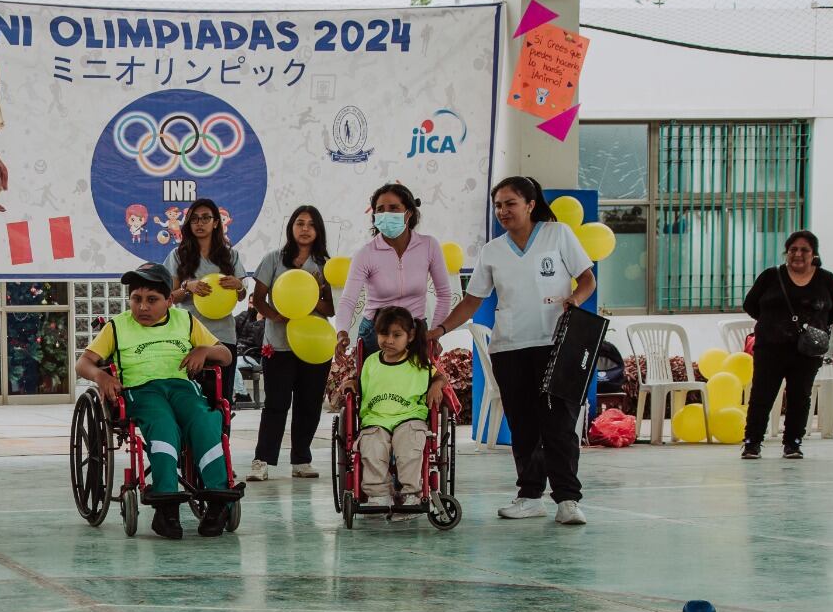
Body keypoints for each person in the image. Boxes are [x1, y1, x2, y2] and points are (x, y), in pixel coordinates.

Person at [436, 176, 595, 526]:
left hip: (554, 345)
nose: (503, 211)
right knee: (523, 427)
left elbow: (587, 278)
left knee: (559, 425)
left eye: (510, 203)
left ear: (530, 204)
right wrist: (441, 329)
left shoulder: (558, 235)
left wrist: (575, 300)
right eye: (498, 205)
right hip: (509, 348)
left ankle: (568, 499)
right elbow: (474, 299)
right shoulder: (492, 251)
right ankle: (530, 496)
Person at [75, 263, 234, 540]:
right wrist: (102, 378)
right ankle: (166, 507)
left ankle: (218, 501)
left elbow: (225, 356)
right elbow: (83, 363)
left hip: (182, 388)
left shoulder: (185, 321)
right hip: (142, 391)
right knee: (163, 427)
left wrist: (204, 349)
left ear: (169, 301)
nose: (143, 307)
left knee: (206, 420)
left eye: (152, 300)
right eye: (136, 299)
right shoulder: (117, 326)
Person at [741, 230, 833, 459]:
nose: (798, 254)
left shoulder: (826, 279)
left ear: (814, 254)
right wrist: (774, 324)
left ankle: (793, 443)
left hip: (807, 350)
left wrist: (812, 328)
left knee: (800, 396)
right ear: (786, 252)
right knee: (762, 394)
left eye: (804, 250)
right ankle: (752, 443)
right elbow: (750, 305)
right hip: (770, 347)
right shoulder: (770, 276)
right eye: (793, 250)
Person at [250, 205, 334, 481]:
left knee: (309, 404)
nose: (305, 228)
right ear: (291, 227)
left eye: (311, 224)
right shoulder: (274, 259)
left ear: (318, 230)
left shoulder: (325, 264)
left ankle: (301, 459)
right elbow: (259, 298)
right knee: (276, 403)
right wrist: (276, 315)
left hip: (314, 344)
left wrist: (315, 290)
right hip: (279, 345)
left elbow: (330, 308)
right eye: (300, 223)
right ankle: (262, 460)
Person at [337, 182, 453, 353]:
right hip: (376, 333)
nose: (386, 214)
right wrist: (341, 333)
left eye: (393, 208)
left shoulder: (429, 245)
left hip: (416, 331)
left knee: (418, 380)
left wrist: (434, 334)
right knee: (375, 380)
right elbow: (348, 300)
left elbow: (444, 294)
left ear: (409, 213)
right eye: (380, 209)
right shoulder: (365, 253)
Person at [356, 306, 447, 517]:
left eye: (396, 335)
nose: (389, 340)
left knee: (409, 448)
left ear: (410, 335)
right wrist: (351, 382)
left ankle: (411, 493)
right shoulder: (370, 362)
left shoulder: (418, 362)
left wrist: (435, 386)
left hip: (409, 417)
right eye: (383, 334)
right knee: (372, 448)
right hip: (376, 419)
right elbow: (360, 386)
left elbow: (440, 377)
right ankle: (378, 494)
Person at [163, 197, 248, 402]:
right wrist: (187, 286)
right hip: (187, 335)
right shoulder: (177, 256)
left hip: (223, 336)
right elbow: (169, 299)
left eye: (205, 218)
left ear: (216, 222)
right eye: (194, 219)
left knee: (221, 400)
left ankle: (220, 434)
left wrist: (238, 286)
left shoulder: (231, 255)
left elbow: (242, 295)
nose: (200, 223)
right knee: (188, 399)